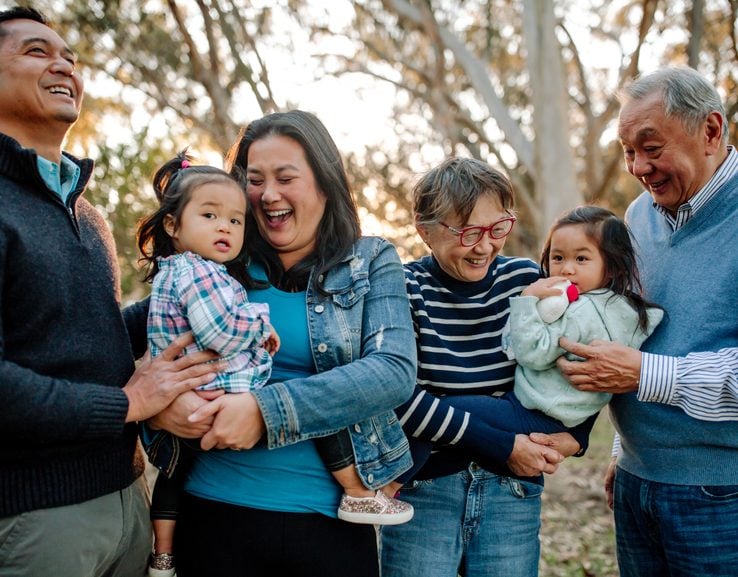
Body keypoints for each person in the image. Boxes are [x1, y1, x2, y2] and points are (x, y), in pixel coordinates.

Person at [143, 110, 417, 577]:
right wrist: (155, 407)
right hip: (213, 513)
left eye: (285, 177)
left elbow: (392, 370)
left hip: (329, 524)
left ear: (325, 183)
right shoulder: (215, 264)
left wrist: (264, 413)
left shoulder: (370, 261)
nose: (268, 194)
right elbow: (127, 337)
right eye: (254, 179)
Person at [0, 7, 224, 577]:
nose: (63, 67)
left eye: (70, 59)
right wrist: (129, 403)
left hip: (128, 503)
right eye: (36, 51)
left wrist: (189, 290)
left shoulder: (89, 215)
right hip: (38, 518)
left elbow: (90, 336)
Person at [557, 66, 738, 576]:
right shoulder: (637, 217)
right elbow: (635, 333)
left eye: (650, 147)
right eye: (627, 150)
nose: (637, 166)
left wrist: (644, 374)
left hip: (722, 497)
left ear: (710, 131)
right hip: (638, 485)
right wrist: (623, 447)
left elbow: (640, 364)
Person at [381, 156, 594, 577]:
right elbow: (397, 398)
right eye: (468, 232)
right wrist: (504, 447)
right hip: (425, 488)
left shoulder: (525, 279)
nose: (484, 246)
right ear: (425, 231)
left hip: (511, 492)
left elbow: (578, 351)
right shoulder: (404, 288)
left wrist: (577, 436)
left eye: (498, 228)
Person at [384, 205, 662, 495]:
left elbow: (534, 354)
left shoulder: (581, 313)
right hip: (554, 411)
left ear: (612, 265)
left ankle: (389, 484)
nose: (566, 269)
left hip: (535, 409)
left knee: (451, 410)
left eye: (581, 258)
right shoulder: (623, 311)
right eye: (558, 258)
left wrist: (526, 302)